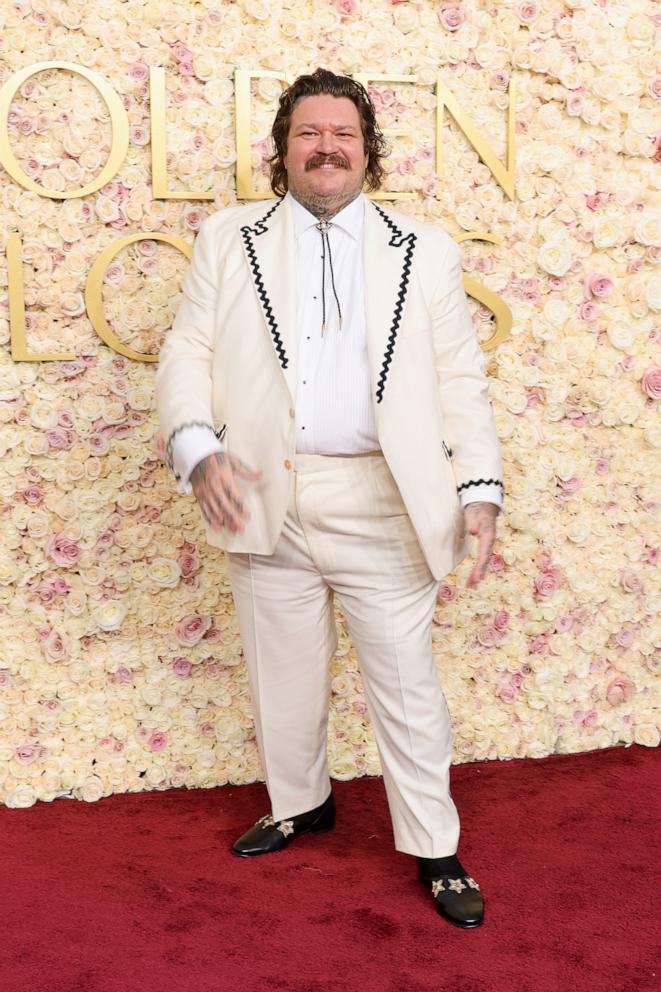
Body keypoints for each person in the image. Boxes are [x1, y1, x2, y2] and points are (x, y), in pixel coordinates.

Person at [155, 68, 504, 929]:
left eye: (342, 133)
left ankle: (433, 845)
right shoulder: (227, 239)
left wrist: (479, 488)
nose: (326, 146)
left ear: (365, 148)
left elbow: (460, 379)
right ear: (282, 150)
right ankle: (301, 803)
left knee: (405, 683)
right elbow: (187, 352)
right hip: (263, 491)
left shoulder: (422, 247)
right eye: (308, 133)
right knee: (283, 673)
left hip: (382, 498)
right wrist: (199, 450)